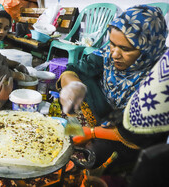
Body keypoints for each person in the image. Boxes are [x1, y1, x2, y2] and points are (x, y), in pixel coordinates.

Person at [58, 5, 168, 169]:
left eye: (125, 49)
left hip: (134, 136)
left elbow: (143, 135)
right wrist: (72, 84)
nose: (114, 54)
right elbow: (76, 69)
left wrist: (91, 133)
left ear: (147, 49)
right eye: (112, 44)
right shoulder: (108, 53)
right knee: (74, 91)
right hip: (106, 116)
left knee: (98, 151)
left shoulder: (160, 79)